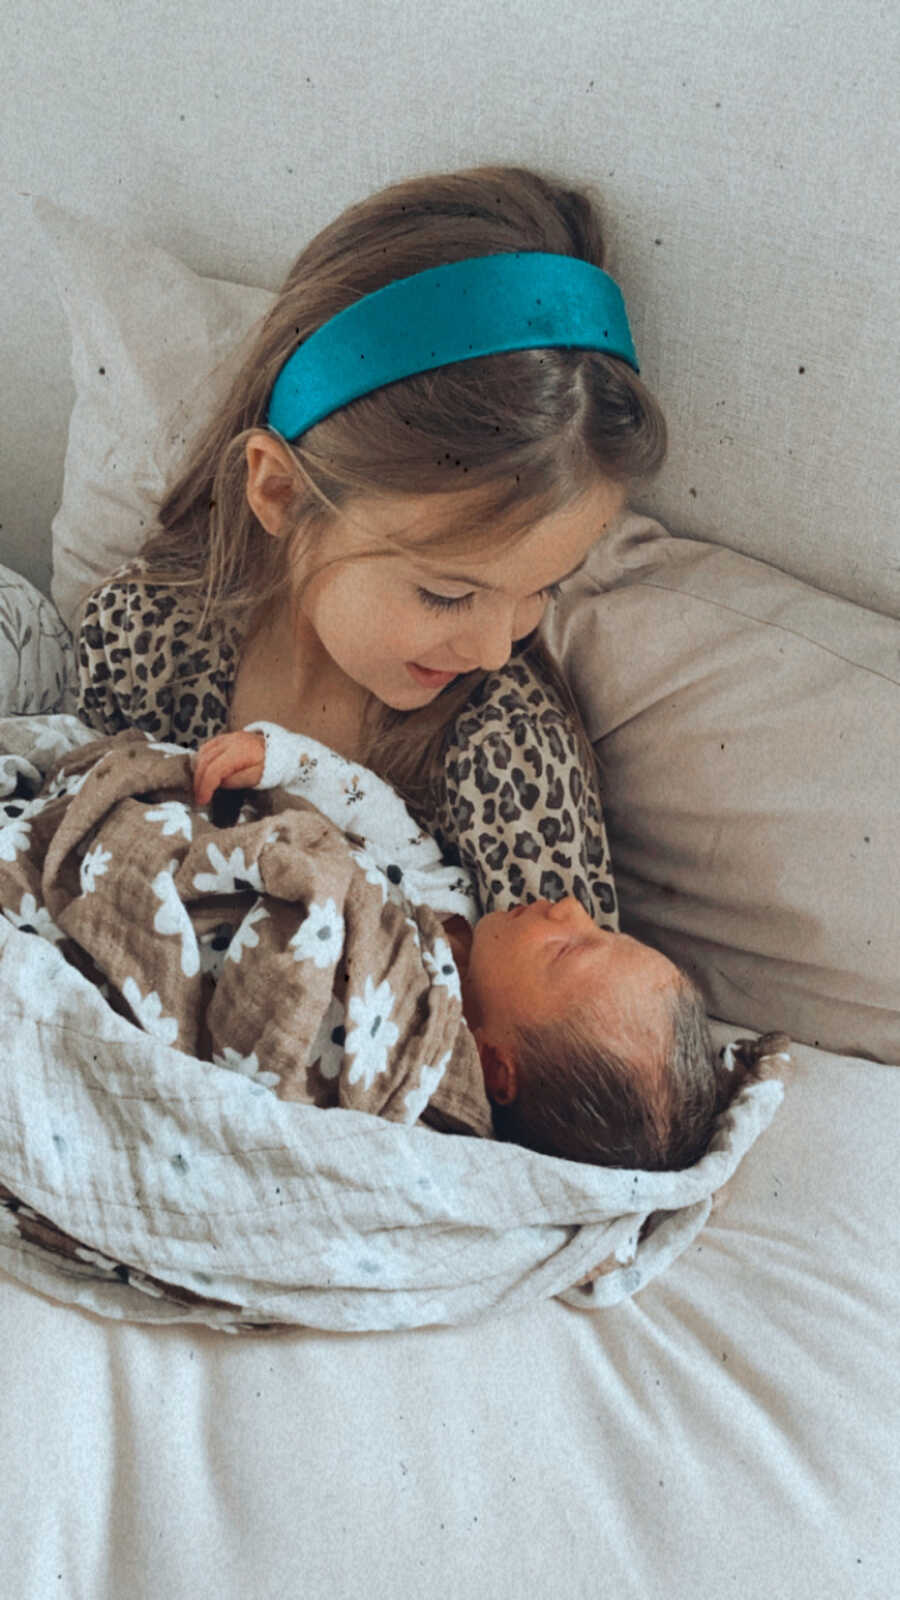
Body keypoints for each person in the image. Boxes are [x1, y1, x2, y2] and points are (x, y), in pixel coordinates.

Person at [74, 163, 668, 927]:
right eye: (447, 593)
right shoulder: (142, 635)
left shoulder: (507, 754)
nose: (494, 650)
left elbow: (556, 1032)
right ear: (280, 493)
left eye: (542, 588)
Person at [190, 722, 784, 1171]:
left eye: (567, 949)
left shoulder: (415, 1082)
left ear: (498, 1070)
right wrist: (281, 758)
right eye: (603, 930)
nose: (572, 908)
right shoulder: (448, 899)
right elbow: (368, 807)